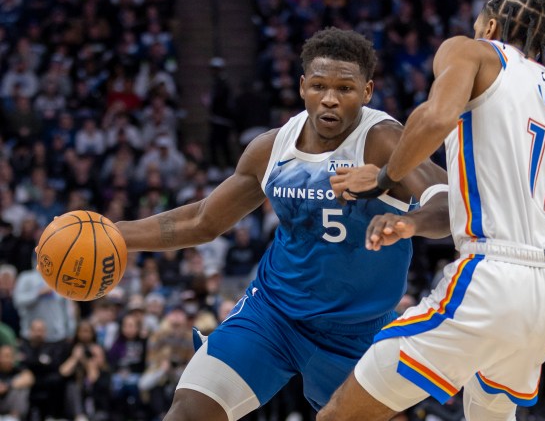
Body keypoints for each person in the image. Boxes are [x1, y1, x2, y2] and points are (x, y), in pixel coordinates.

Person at [322, 0, 545, 420]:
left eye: (477, 25)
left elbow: (435, 118)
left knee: (340, 414)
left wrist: (385, 177)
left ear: (490, 25)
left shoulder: (471, 52)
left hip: (493, 279)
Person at [114, 27, 448, 420]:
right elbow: (203, 221)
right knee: (187, 414)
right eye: (320, 85)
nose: (330, 99)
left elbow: (447, 205)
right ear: (303, 86)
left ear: (367, 92)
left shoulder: (384, 140)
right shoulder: (272, 147)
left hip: (357, 333)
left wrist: (409, 221)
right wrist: (114, 233)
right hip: (272, 315)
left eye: (345, 89)